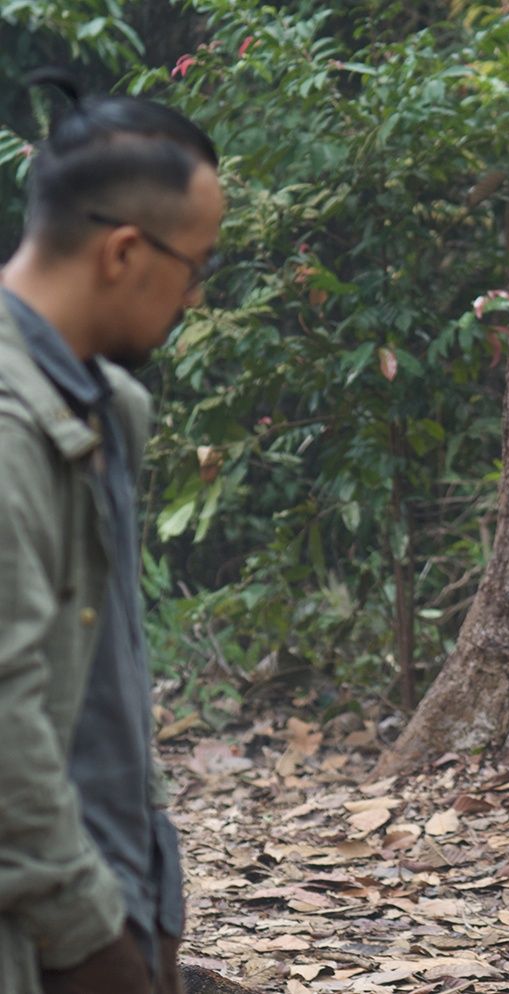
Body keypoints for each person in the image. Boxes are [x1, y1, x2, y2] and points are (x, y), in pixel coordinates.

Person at [0, 75, 223, 994]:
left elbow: (110, 678)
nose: (195, 300)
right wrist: (91, 940)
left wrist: (154, 901)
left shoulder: (103, 406)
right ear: (125, 252)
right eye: (195, 269)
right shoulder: (12, 428)